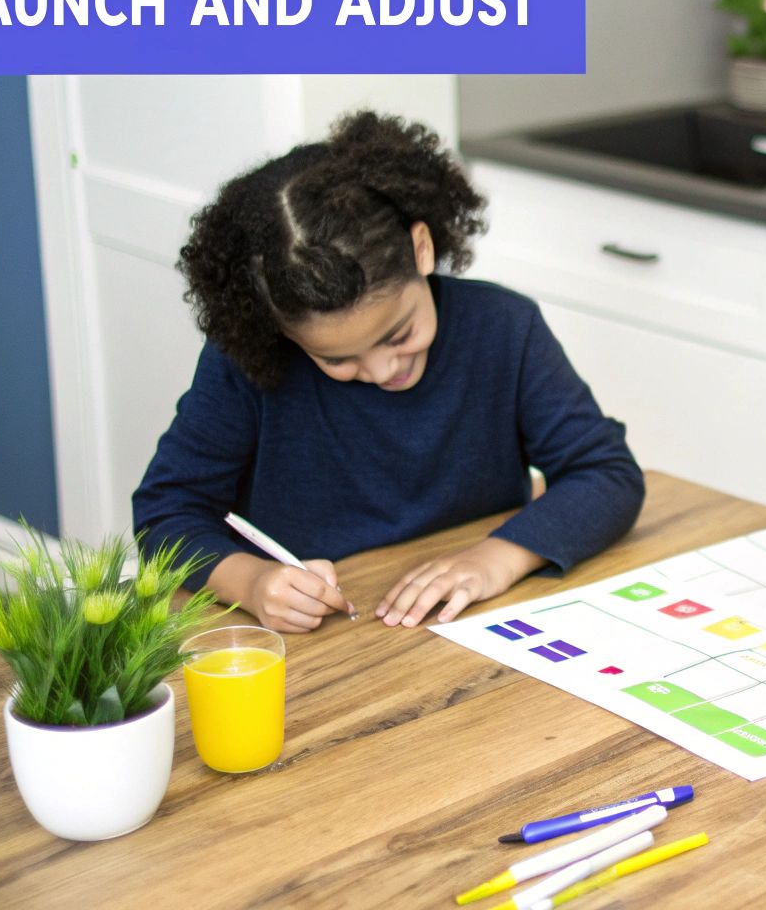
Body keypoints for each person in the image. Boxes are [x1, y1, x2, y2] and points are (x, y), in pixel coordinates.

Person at [134, 111, 644, 633]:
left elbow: (606, 473)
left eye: (398, 334)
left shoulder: (504, 329)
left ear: (421, 249)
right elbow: (165, 514)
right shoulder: (242, 364)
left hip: (480, 626)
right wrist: (250, 582)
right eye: (336, 359)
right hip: (323, 649)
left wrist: (499, 559)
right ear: (281, 331)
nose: (382, 370)